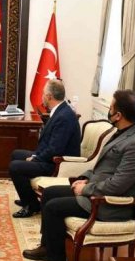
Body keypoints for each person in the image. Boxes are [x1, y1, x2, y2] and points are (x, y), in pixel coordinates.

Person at [23, 90, 135, 261]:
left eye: (111, 107)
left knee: (53, 207)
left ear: (118, 115)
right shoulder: (125, 131)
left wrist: (85, 189)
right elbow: (103, 167)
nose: (109, 111)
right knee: (50, 193)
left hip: (109, 204)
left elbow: (118, 185)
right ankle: (48, 247)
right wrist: (84, 178)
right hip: (97, 190)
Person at [9, 79, 81, 218]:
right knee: (16, 154)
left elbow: (55, 149)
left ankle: (31, 206)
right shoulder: (61, 110)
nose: (42, 97)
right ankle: (28, 198)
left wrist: (36, 158)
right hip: (50, 157)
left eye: (43, 94)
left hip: (57, 163)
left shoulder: (64, 117)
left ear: (49, 97)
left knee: (15, 167)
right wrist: (36, 156)